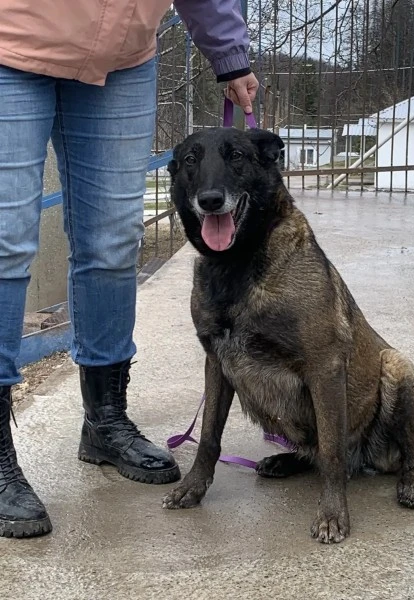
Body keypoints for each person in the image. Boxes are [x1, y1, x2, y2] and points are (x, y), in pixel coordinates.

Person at [0, 1, 258, 539]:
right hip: (11, 41)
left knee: (114, 241)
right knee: (5, 242)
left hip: (121, 59)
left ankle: (105, 421)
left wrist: (229, 53)